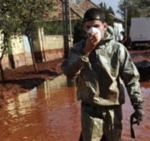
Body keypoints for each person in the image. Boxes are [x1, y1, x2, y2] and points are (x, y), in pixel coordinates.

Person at [61, 8, 144, 141]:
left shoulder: (117, 49)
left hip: (113, 109)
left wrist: (138, 105)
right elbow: (69, 73)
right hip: (90, 109)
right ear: (84, 28)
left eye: (96, 26)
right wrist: (86, 51)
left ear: (105, 26)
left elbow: (131, 79)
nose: (92, 30)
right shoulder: (78, 48)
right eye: (88, 27)